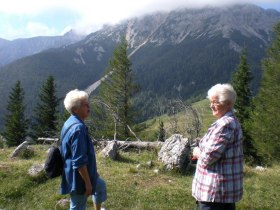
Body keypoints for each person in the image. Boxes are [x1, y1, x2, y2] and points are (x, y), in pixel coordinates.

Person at [192, 83, 243, 210]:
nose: (211, 105)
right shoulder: (228, 122)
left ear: (228, 103)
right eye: (211, 102)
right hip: (220, 193)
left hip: (215, 194)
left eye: (215, 102)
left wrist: (197, 152)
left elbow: (208, 158)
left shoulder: (225, 124)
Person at [60, 89, 107, 210]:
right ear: (76, 109)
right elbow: (79, 161)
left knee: (100, 186)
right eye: (85, 104)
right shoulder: (78, 129)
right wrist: (87, 183)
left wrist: (93, 173)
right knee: (77, 206)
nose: (88, 106)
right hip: (77, 178)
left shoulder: (70, 122)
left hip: (77, 172)